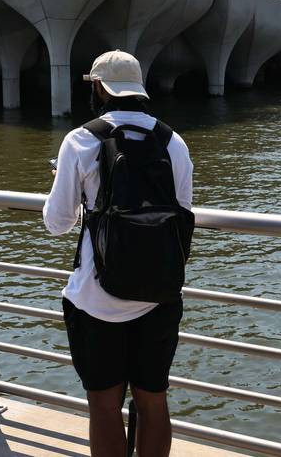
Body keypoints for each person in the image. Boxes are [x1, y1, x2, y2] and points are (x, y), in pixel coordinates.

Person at [43, 50, 193, 457]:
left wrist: (63, 181)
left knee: (105, 407)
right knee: (154, 400)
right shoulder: (172, 141)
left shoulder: (80, 140)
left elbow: (57, 223)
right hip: (160, 295)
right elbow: (183, 214)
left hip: (97, 301)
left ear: (99, 88)